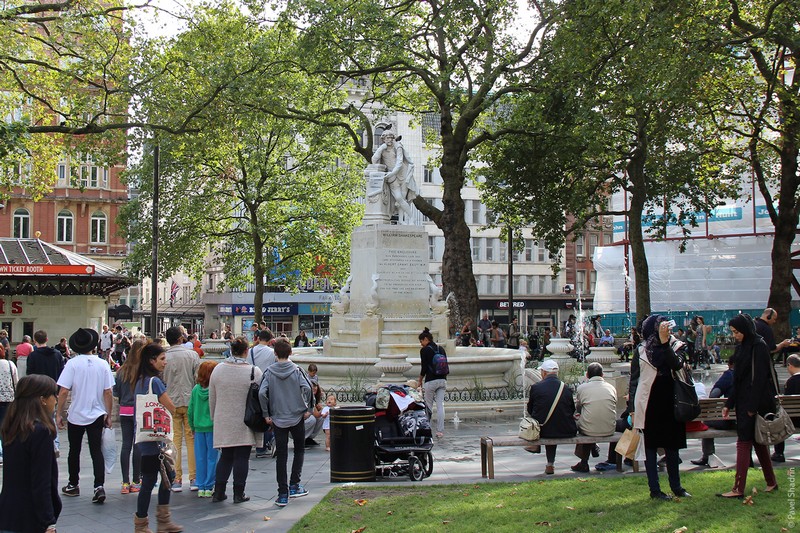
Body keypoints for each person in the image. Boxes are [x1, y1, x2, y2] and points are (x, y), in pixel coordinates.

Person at [717, 313, 778, 498]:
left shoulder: (759, 346)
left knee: (743, 443)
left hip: (754, 403)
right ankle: (771, 482)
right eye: (733, 332)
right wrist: (730, 403)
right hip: (745, 401)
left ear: (745, 330)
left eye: (737, 332)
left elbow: (760, 378)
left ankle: (738, 488)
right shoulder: (743, 346)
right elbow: (738, 379)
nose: (735, 335)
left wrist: (751, 407)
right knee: (757, 443)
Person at [630, 314, 691, 500]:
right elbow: (634, 380)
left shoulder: (677, 345)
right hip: (648, 403)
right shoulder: (641, 350)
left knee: (672, 446)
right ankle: (654, 490)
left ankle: (676, 486)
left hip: (671, 401)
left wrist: (665, 344)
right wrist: (632, 407)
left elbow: (676, 364)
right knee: (650, 446)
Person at [56, 328, 114, 504]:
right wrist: (109, 414)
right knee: (96, 450)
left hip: (76, 413)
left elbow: (64, 391)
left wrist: (59, 413)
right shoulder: (103, 363)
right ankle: (99, 486)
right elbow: (108, 392)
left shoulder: (72, 364)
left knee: (74, 450)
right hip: (97, 413)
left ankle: (73, 484)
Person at [131, 342, 182, 533]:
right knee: (159, 478)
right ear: (152, 361)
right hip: (155, 439)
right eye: (162, 359)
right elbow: (170, 406)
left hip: (146, 436)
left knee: (159, 478)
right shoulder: (155, 382)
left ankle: (153, 523)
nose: (164, 363)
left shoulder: (140, 380)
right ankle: (150, 523)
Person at [0, 375, 61, 533]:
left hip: (8, 513)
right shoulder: (40, 432)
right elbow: (41, 482)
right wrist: (49, 521)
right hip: (31, 517)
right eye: (54, 394)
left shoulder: (11, 428)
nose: (56, 399)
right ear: (43, 399)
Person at [258, 338, 313, 507]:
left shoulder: (269, 372)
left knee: (281, 456)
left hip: (278, 417)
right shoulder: (297, 370)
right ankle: (294, 484)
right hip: (296, 415)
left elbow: (261, 393)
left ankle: (283, 493)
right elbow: (308, 388)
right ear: (290, 353)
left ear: (275, 353)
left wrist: (266, 413)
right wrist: (307, 408)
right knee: (299, 450)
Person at [208, 337, 262, 504]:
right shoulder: (254, 371)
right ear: (246, 351)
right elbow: (262, 398)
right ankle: (239, 493)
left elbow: (212, 397)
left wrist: (214, 417)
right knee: (242, 457)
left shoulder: (218, 369)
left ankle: (219, 491)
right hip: (245, 420)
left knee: (226, 456)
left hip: (223, 418)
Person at [163, 326, 200, 492]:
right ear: (180, 338)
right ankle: (193, 477)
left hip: (170, 401)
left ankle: (176, 477)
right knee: (191, 439)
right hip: (189, 400)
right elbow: (198, 379)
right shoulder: (191, 355)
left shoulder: (164, 357)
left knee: (174, 440)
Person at [526, 359, 577, 474]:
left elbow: (530, 410)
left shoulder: (536, 387)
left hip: (543, 430)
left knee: (545, 423)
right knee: (582, 425)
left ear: (543, 372)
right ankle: (585, 459)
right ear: (557, 373)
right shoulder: (566, 388)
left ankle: (549, 463)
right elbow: (572, 409)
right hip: (566, 429)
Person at [572, 363, 617, 472]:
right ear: (603, 374)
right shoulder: (611, 388)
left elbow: (578, 409)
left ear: (587, 375)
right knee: (590, 421)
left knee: (581, 423)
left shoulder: (582, 388)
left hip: (589, 428)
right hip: (610, 428)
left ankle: (584, 462)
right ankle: (595, 448)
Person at [114, 339, 145, 495]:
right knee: (137, 445)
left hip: (124, 410)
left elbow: (116, 393)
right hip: (139, 409)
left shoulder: (121, 371)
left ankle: (125, 482)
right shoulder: (142, 371)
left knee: (126, 445)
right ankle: (136, 481)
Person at [691, 359, 736, 467]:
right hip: (747, 419)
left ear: (730, 365)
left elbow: (714, 395)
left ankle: (707, 456)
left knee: (706, 422)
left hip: (730, 421)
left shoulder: (729, 375)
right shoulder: (751, 374)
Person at [371, 128, 417, 222]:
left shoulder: (398, 147)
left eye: (391, 137)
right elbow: (374, 160)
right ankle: (408, 218)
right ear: (383, 139)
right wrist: (380, 148)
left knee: (402, 199)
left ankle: (406, 219)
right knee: (399, 198)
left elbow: (399, 162)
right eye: (387, 138)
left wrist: (392, 173)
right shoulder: (382, 149)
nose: (389, 140)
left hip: (402, 175)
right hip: (392, 177)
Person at [189, 360, 219, 498]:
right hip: (212, 427)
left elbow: (190, 410)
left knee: (200, 457)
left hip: (199, 428)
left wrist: (192, 426)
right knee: (212, 458)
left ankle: (200, 486)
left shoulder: (195, 390)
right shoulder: (214, 390)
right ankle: (209, 485)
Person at [417, 328, 447, 438]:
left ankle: (427, 428)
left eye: (421, 341)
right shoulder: (441, 348)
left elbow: (424, 367)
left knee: (428, 405)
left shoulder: (424, 350)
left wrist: (420, 380)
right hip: (443, 380)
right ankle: (440, 431)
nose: (421, 344)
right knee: (440, 405)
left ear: (426, 339)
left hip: (431, 380)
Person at [772, 353, 800, 462]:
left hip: (793, 420)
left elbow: (785, 403)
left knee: (777, 422)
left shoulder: (791, 381)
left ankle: (779, 453)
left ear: (790, 365)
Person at [0, 345, 18, 465]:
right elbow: (16, 382)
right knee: (6, 428)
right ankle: (6, 453)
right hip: (8, 400)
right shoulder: (10, 364)